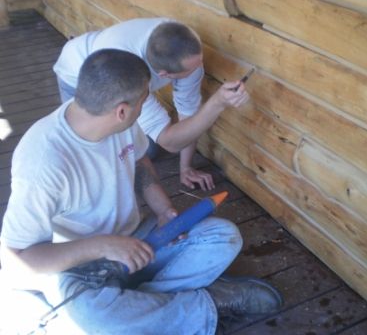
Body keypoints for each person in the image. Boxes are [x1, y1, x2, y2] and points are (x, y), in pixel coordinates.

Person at [0, 49, 282, 335]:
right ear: (122, 110)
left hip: (138, 239)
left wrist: (163, 210)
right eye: (145, 99)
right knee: (95, 320)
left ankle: (143, 305)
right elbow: (17, 259)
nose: (146, 103)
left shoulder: (112, 116)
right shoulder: (42, 162)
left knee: (223, 237)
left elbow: (140, 161)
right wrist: (103, 246)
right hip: (79, 265)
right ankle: (206, 304)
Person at [53, 18, 217, 191]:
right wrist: (217, 103)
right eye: (193, 69)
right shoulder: (127, 75)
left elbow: (189, 116)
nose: (199, 69)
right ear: (165, 74)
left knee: (147, 150)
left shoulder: (182, 48)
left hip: (110, 55)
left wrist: (186, 168)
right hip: (76, 72)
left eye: (200, 62)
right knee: (90, 143)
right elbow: (170, 142)